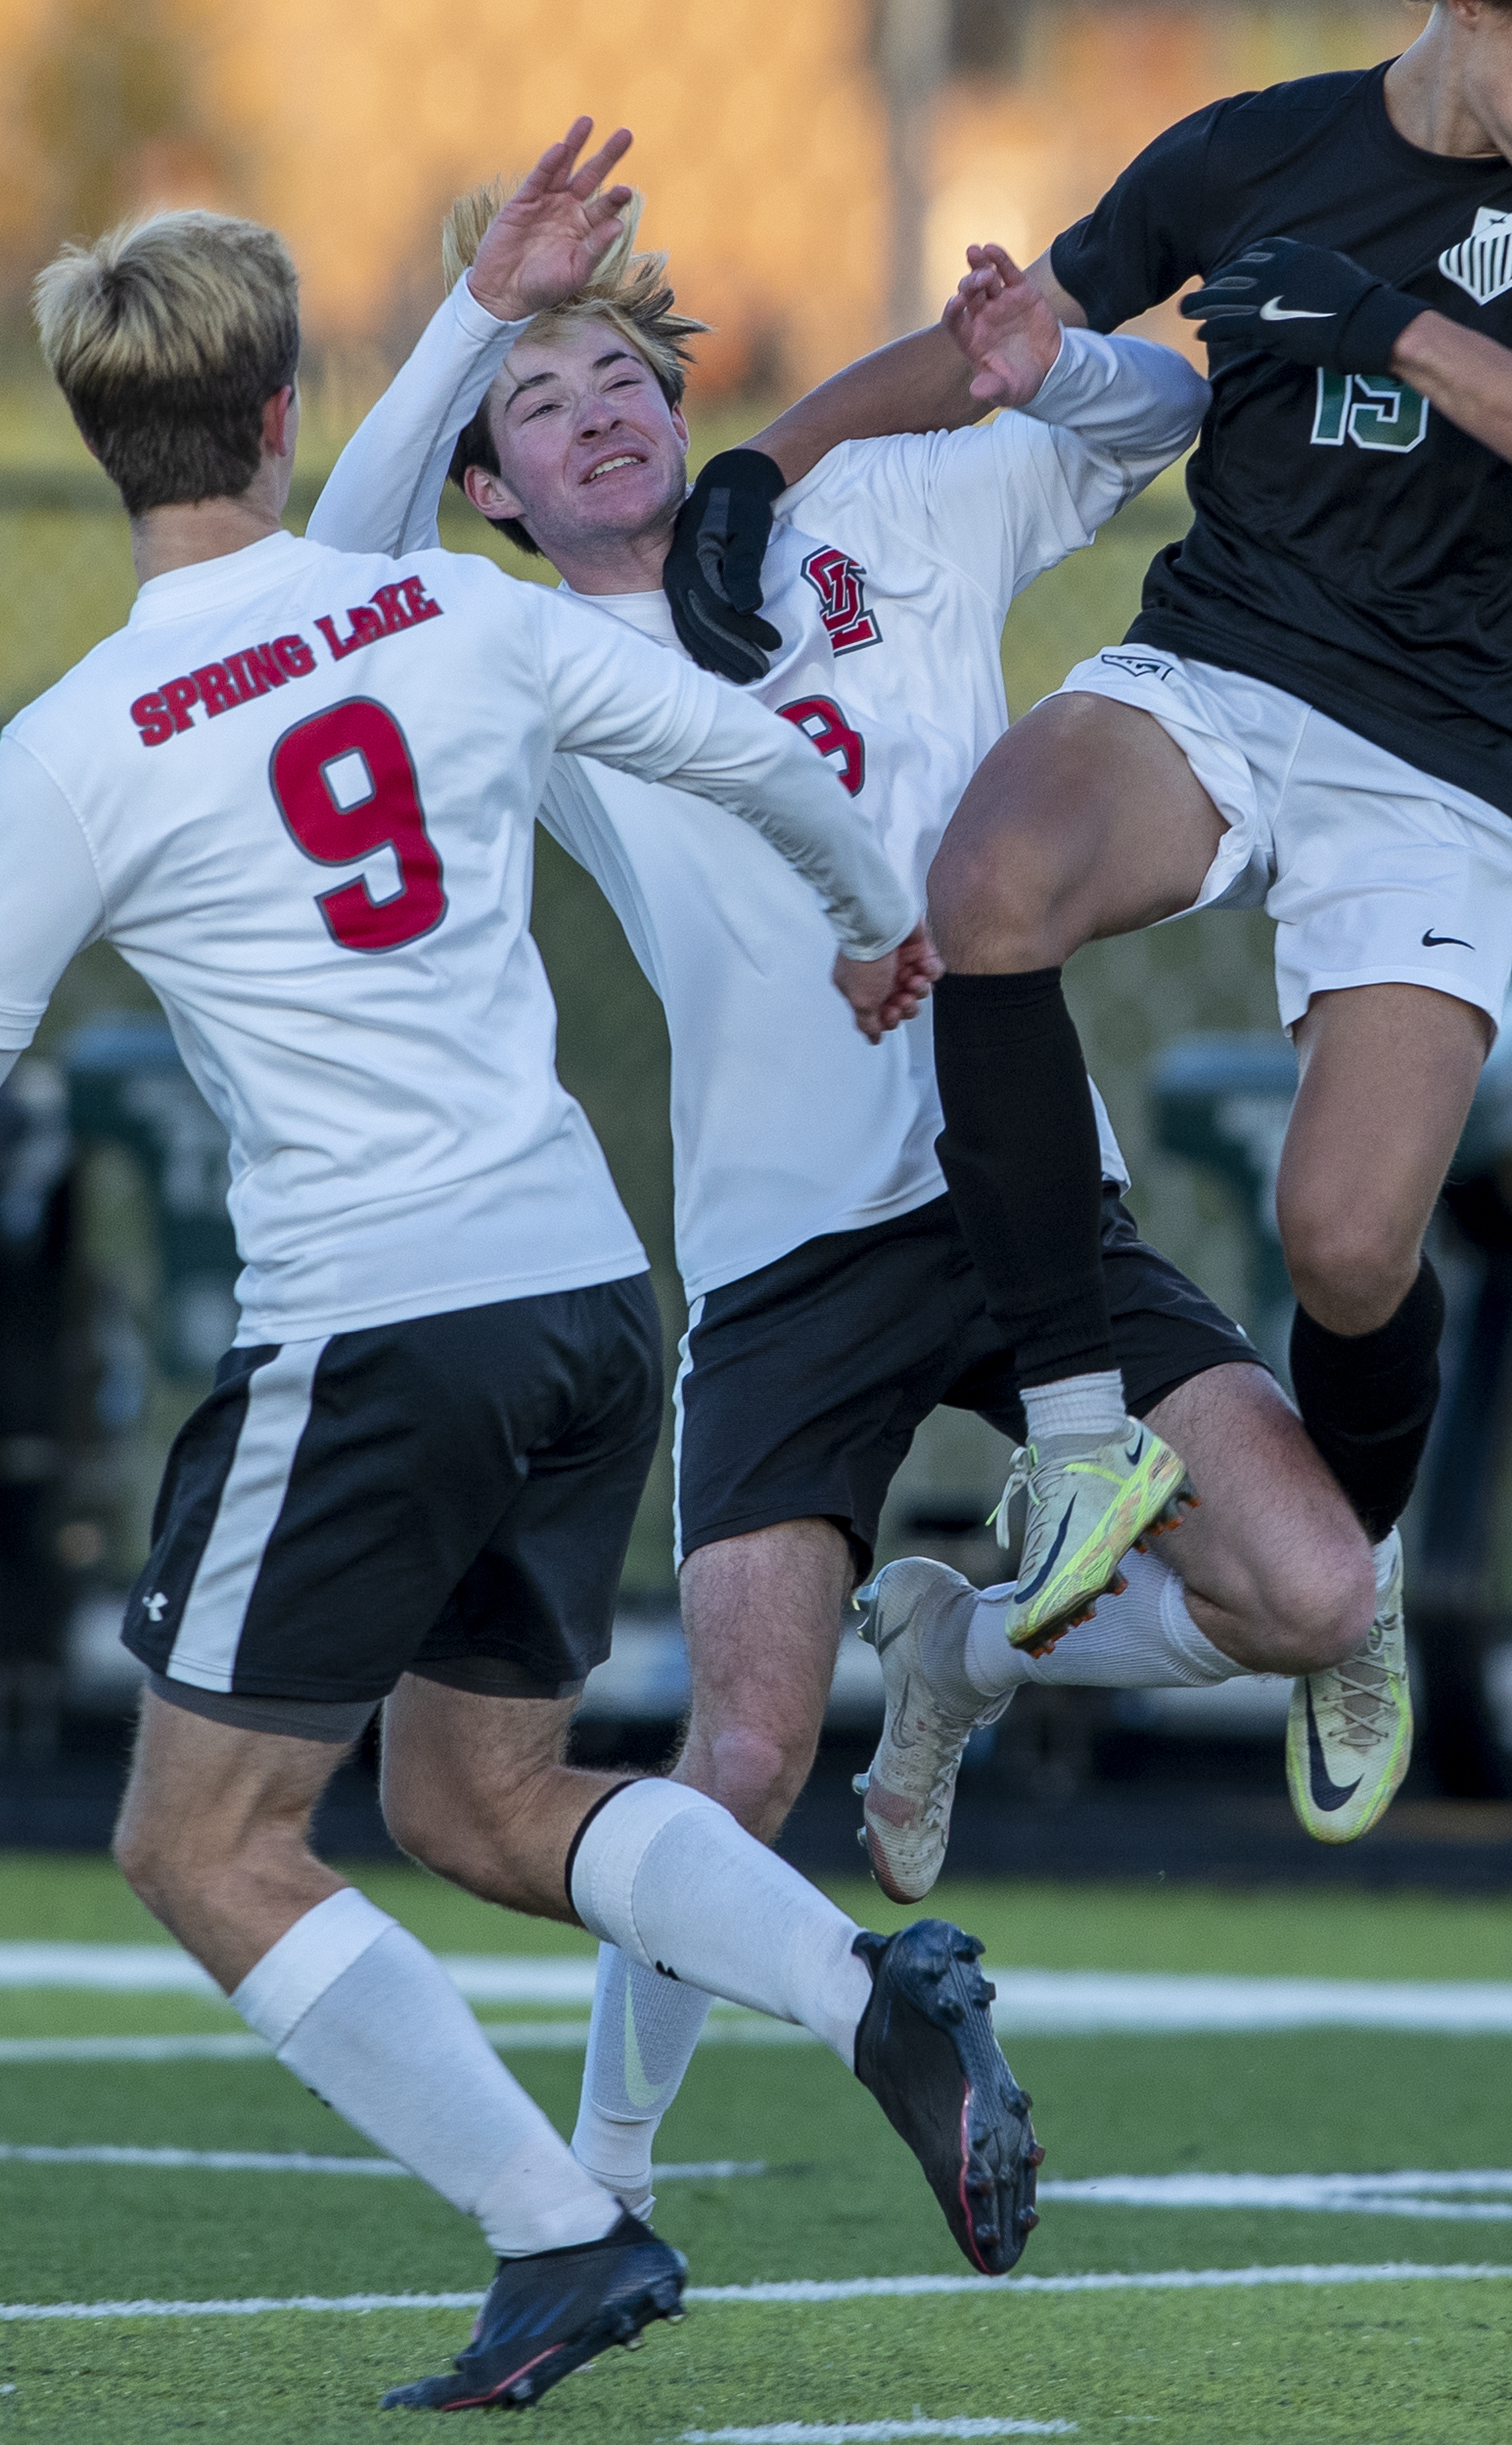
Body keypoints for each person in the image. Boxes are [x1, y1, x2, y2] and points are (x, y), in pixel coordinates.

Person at [0, 197, 1037, 2415]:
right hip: (582, 1300)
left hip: (370, 1324)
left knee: (198, 1844)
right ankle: (872, 1995)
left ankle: (558, 2235)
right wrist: (877, 923)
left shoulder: (77, 744)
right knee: (475, 1803)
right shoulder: (430, 629)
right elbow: (753, 759)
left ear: (98, 440)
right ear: (284, 416)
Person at [307, 127, 1380, 2228]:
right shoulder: (503, 661)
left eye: (616, 370)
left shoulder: (878, 500)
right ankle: (607, 2185)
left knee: (1313, 1592)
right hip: (785, 1259)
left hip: (1020, 1211)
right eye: (536, 404)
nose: (595, 410)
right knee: (737, 1760)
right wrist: (470, 310)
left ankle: (963, 1652)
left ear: (681, 400)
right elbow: (334, 559)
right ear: (494, 493)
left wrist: (1019, 352)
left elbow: (1153, 422)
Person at [913, 0, 1512, 1803]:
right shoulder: (1247, 151)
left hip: (1441, 764)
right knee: (988, 883)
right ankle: (1083, 1426)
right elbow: (1026, 338)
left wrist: (1397, 327)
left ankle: (1332, 1591)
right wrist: (812, 436)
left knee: (1348, 1244)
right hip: (1217, 668)